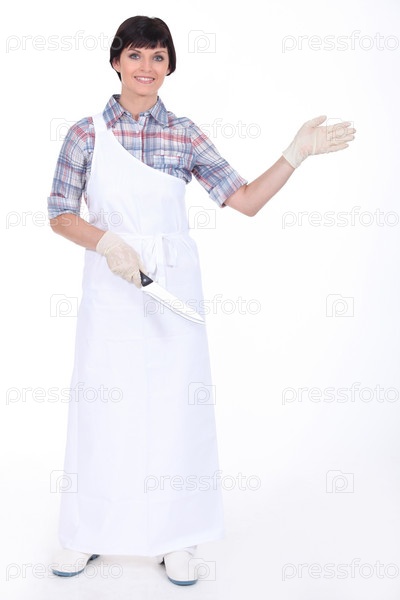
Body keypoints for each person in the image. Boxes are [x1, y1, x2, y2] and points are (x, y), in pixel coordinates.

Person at [47, 15, 356, 586]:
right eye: (135, 55)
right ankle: (87, 532)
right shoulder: (86, 134)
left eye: (158, 57)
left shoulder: (184, 133)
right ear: (115, 61)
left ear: (169, 66)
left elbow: (245, 200)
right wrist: (108, 242)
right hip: (111, 285)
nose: (146, 67)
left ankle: (176, 536)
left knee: (175, 409)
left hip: (171, 287)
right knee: (103, 407)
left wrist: (296, 152)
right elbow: (60, 215)